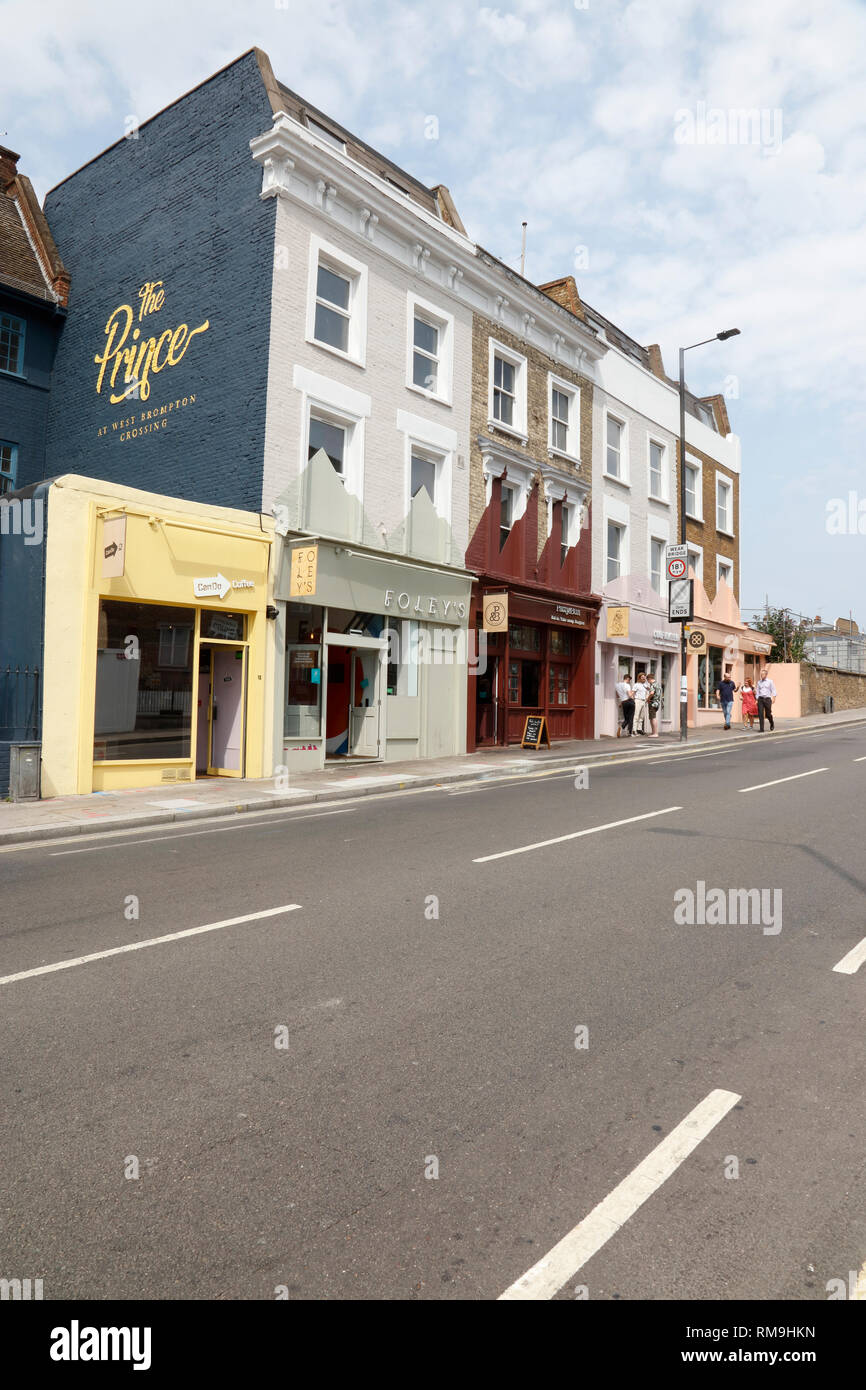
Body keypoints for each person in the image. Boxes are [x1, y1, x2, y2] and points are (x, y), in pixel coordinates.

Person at [756, 667, 777, 731]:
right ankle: (761, 729)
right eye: (761, 674)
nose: (761, 676)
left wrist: (774, 698)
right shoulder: (759, 682)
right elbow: (757, 691)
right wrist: (757, 699)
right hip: (760, 699)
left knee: (768, 714)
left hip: (767, 699)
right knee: (760, 714)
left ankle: (772, 723)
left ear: (766, 675)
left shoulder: (770, 681)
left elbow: (773, 690)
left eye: (763, 674)